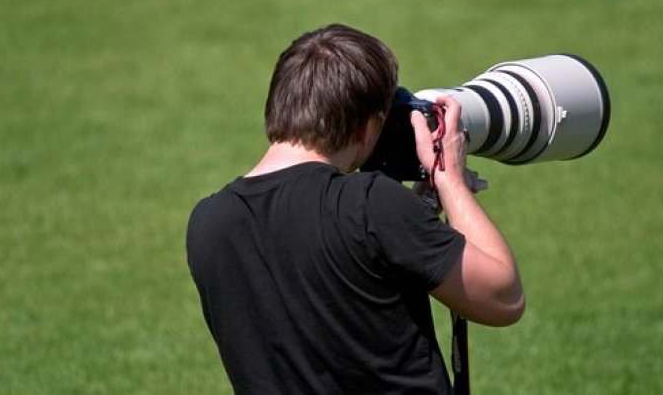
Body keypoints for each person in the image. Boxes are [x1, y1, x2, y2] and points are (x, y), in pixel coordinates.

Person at [186, 23, 524, 394]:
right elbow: (503, 299)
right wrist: (452, 181)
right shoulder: (370, 204)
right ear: (366, 128)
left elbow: (336, 271)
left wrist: (415, 212)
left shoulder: (209, 222)